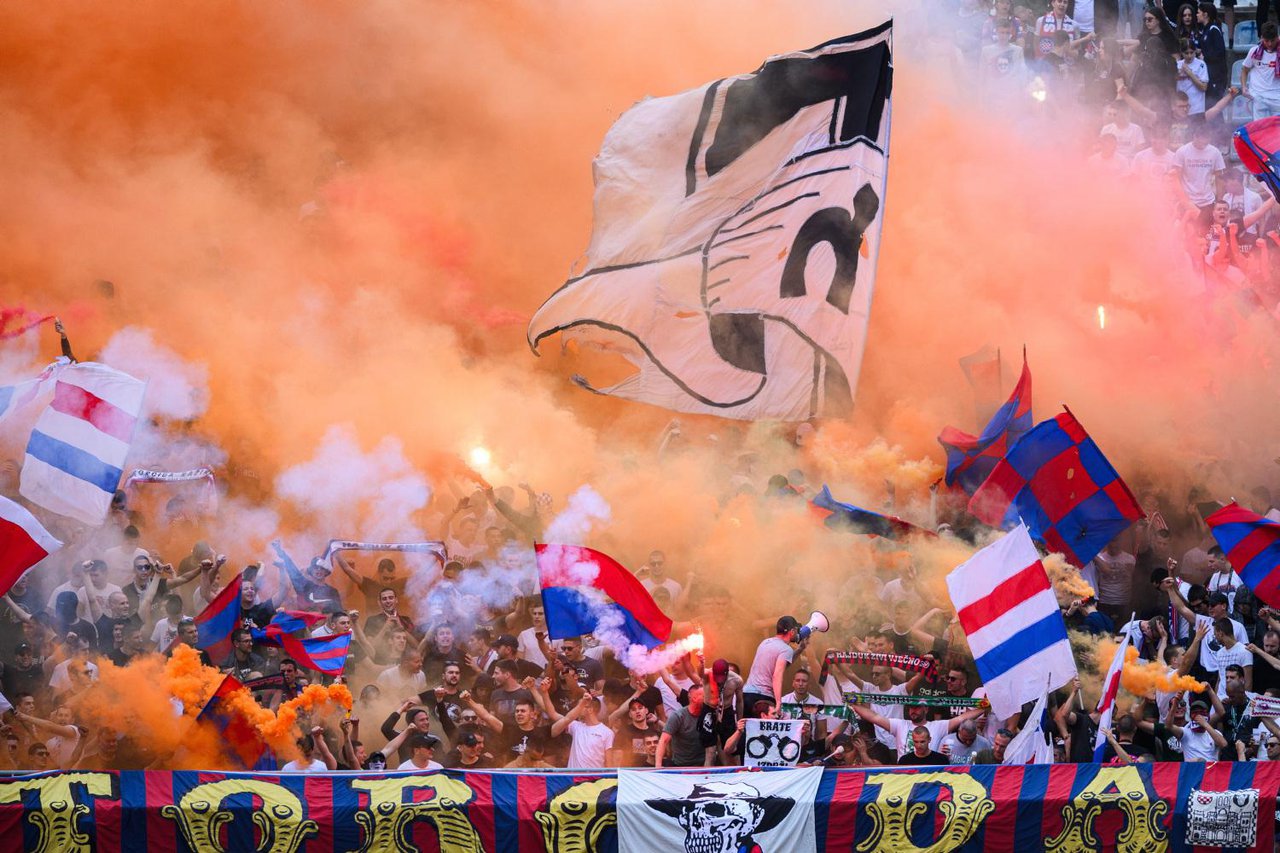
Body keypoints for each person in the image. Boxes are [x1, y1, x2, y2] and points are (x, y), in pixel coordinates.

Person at [743, 616, 800, 717]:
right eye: (796, 630)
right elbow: (777, 675)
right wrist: (778, 703)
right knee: (764, 732)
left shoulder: (765, 642)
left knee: (748, 730)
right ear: (792, 631)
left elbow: (779, 666)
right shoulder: (786, 649)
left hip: (747, 694)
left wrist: (801, 649)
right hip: (763, 697)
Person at [656, 682, 711, 768]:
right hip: (680, 766)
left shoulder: (709, 715)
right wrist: (658, 766)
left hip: (703, 765)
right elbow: (663, 741)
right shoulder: (678, 716)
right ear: (693, 698)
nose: (707, 699)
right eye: (704, 696)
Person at [1243, 23, 1280, 120]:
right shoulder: (1254, 51)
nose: (1270, 44)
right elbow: (1244, 70)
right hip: (1258, 96)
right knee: (1260, 130)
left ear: (1277, 37)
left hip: (1277, 97)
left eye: (1272, 40)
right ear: (1262, 38)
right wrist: (1243, 87)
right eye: (1267, 40)